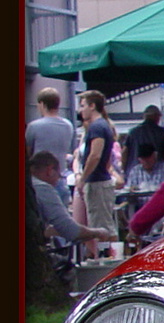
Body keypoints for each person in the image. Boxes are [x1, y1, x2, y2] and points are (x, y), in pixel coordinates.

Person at [29, 151, 115, 245]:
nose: (57, 182)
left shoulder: (29, 184)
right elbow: (72, 231)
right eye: (59, 176)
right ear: (49, 171)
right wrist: (99, 232)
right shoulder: (42, 188)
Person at [75, 90, 119, 255]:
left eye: (83, 106)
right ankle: (105, 255)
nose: (81, 110)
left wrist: (83, 178)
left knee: (101, 226)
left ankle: (105, 258)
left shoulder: (97, 127)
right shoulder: (102, 126)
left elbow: (95, 155)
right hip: (100, 180)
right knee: (102, 223)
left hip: (97, 182)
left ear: (92, 106)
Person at [26, 88, 77, 200]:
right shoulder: (68, 125)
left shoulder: (34, 126)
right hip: (60, 179)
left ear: (42, 104)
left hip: (39, 181)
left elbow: (27, 154)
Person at [125, 104, 164, 172]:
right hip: (158, 171)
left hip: (134, 170)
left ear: (144, 116)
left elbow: (125, 151)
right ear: (157, 117)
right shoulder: (162, 132)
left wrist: (123, 169)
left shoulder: (132, 132)